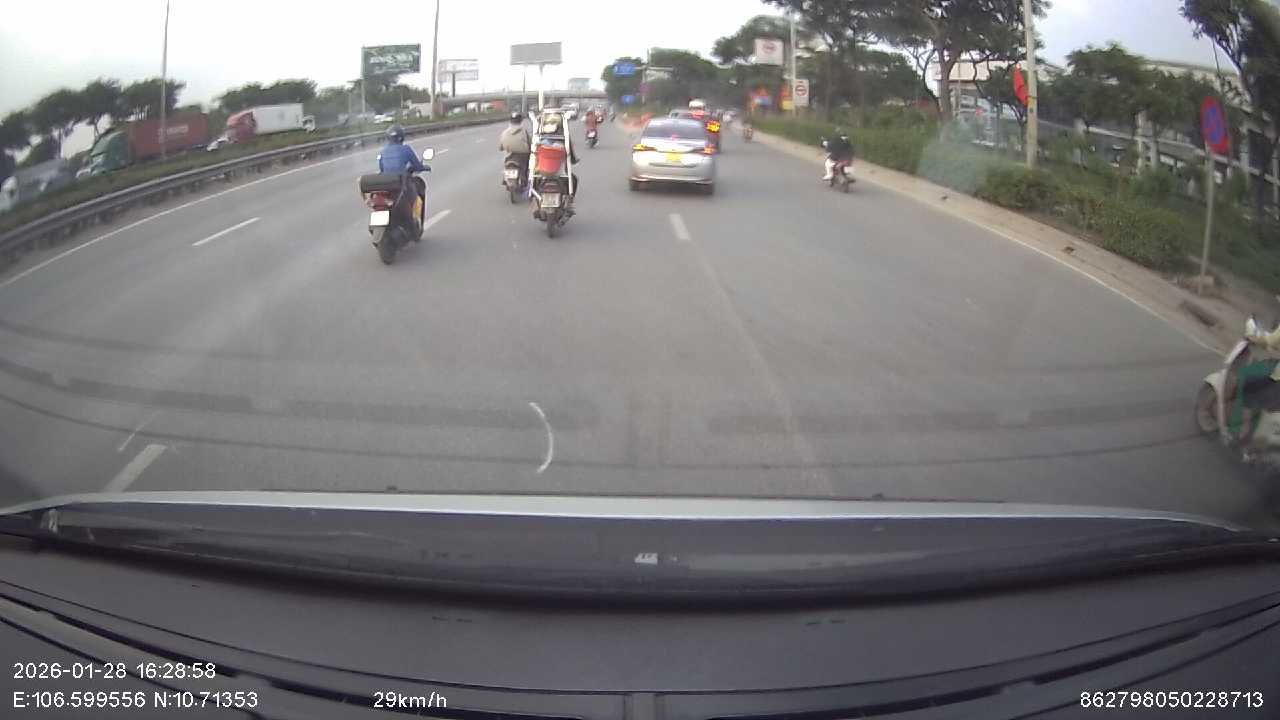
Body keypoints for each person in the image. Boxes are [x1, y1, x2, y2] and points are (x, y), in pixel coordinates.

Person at [376, 124, 429, 212]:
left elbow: (381, 168)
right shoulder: (406, 149)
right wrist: (424, 167)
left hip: (387, 184)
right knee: (417, 188)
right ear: (401, 137)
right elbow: (417, 165)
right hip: (401, 183)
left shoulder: (382, 151)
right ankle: (416, 215)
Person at [497, 112, 532, 188]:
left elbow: (500, 147)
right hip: (522, 155)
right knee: (527, 165)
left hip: (509, 156)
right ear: (520, 121)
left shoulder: (504, 132)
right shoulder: (524, 131)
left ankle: (505, 179)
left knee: (506, 162)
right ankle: (524, 179)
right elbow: (530, 143)